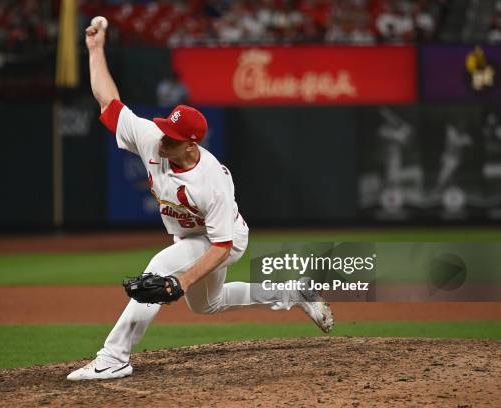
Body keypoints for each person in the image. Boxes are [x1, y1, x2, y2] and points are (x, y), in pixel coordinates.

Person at [67, 18, 334, 381]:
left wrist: (182, 281)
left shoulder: (212, 180)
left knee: (159, 269)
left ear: (191, 144)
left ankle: (114, 357)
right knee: (210, 305)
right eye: (165, 129)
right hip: (191, 236)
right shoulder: (151, 137)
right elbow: (108, 101)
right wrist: (96, 50)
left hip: (223, 240)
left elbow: (221, 245)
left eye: (172, 137)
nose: (163, 138)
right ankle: (294, 292)